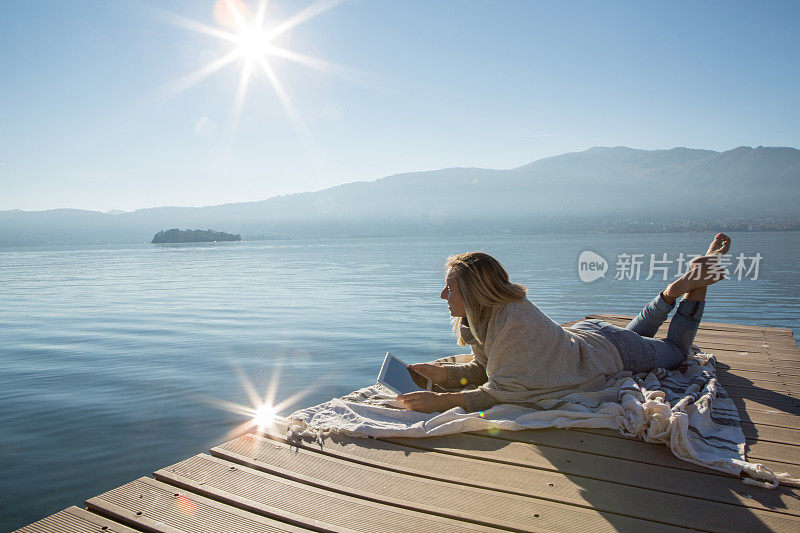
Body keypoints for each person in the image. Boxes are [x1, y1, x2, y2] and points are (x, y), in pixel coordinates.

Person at [396, 233, 732, 413]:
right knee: (634, 339)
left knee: (676, 351)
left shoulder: (513, 323)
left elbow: (502, 391)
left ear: (472, 292)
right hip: (596, 339)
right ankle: (674, 291)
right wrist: (445, 375)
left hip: (611, 353)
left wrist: (444, 400)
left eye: (450, 288)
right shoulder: (485, 316)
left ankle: (687, 289)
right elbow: (493, 369)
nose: (443, 296)